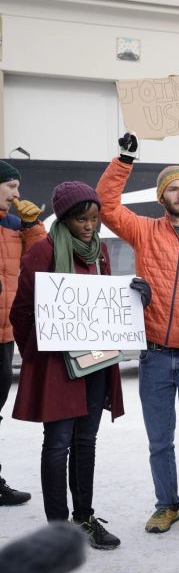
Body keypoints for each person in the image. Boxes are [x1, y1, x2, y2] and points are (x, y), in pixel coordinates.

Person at [97, 133, 179, 536]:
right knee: (159, 441)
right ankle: (166, 505)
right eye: (173, 187)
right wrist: (124, 160)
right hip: (153, 355)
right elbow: (106, 205)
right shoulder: (144, 231)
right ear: (161, 196)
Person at [11, 182, 148, 549]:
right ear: (65, 217)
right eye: (80, 219)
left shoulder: (100, 250)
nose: (89, 226)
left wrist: (135, 296)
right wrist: (41, 353)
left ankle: (84, 517)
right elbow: (21, 311)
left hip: (97, 361)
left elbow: (105, 298)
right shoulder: (42, 250)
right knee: (57, 444)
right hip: (57, 364)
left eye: (93, 218)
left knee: (86, 441)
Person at [0, 160, 46, 507]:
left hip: (4, 336)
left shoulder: (15, 225)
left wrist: (33, 226)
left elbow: (43, 261)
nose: (18, 193)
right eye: (11, 187)